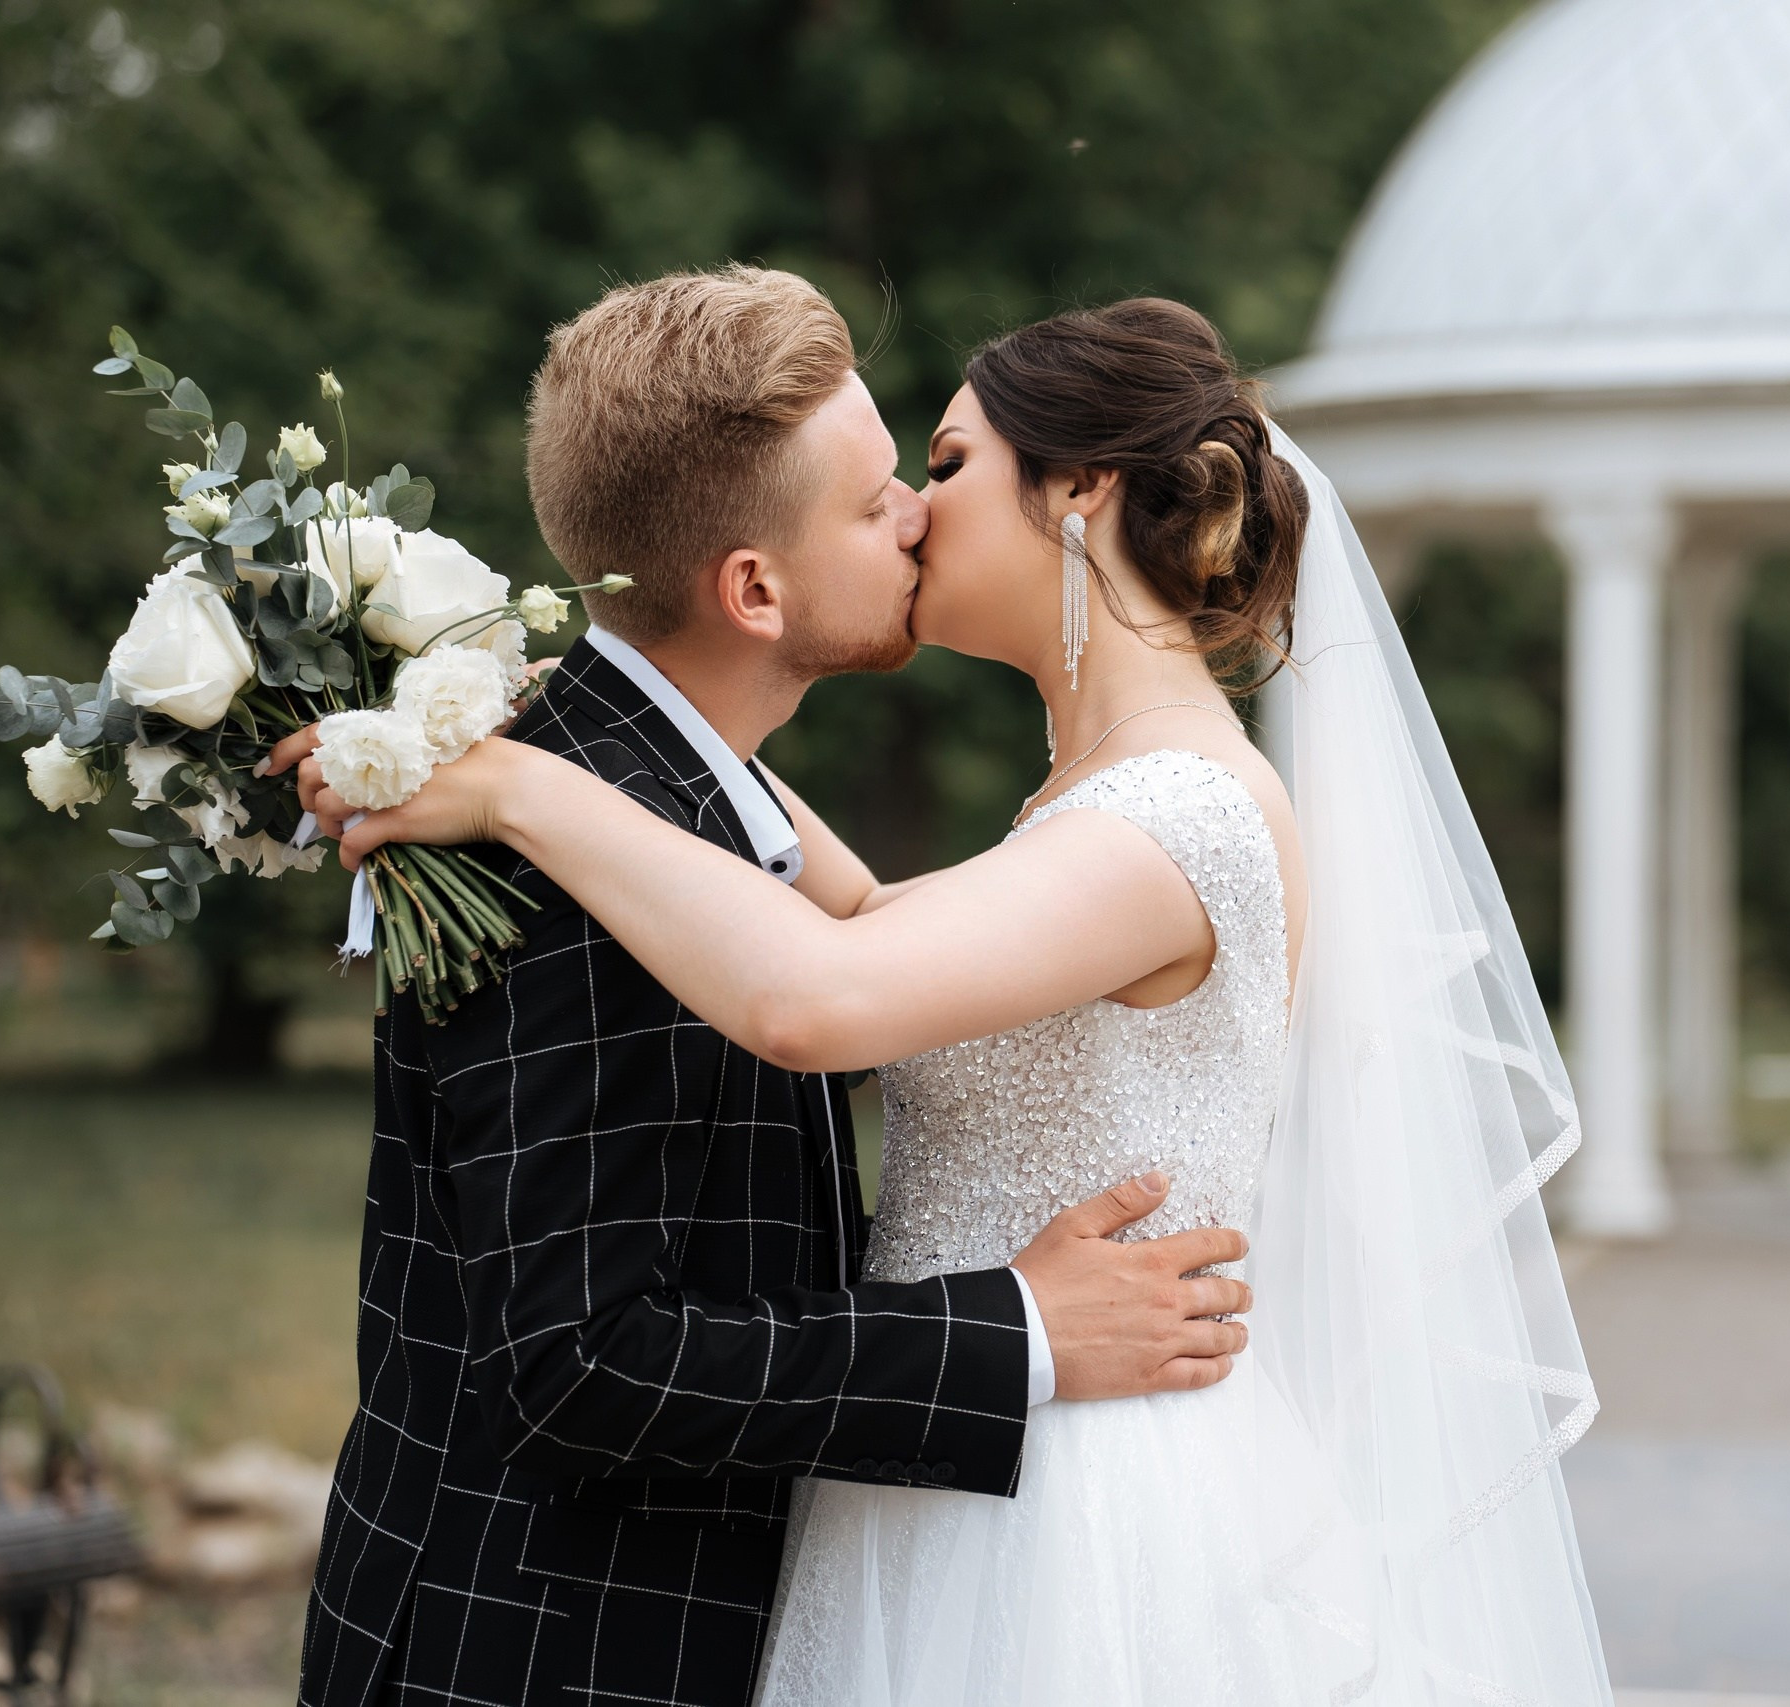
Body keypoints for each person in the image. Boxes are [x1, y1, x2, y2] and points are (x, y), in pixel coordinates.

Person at [292, 286, 1611, 1704]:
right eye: (902, 486)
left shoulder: (1180, 817)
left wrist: (517, 781)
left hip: (1079, 1522)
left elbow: (822, 988)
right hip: (936, 1486)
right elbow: (852, 911)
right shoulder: (1096, 803)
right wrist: (587, 723)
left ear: (1083, 495)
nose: (920, 512)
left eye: (946, 463)